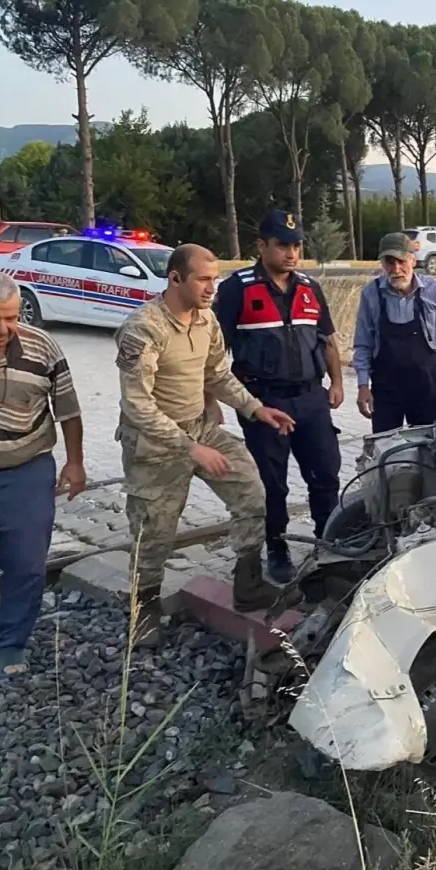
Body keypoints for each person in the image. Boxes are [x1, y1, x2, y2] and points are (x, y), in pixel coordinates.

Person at [115, 244, 297, 640]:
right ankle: (143, 609)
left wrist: (256, 409)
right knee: (155, 532)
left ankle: (248, 585)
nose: (211, 287)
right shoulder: (143, 329)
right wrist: (190, 448)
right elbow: (137, 407)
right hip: (154, 443)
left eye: (214, 278)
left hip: (199, 427)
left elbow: (217, 374)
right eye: (202, 279)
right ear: (175, 278)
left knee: (250, 490)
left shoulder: (206, 320)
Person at [212, 210, 345, 584]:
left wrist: (336, 383)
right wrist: (212, 401)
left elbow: (328, 340)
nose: (291, 253)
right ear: (262, 246)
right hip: (264, 401)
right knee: (271, 482)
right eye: (283, 245)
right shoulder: (237, 288)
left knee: (325, 474)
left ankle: (327, 539)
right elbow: (214, 350)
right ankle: (277, 546)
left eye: (296, 245)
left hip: (310, 398)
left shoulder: (309, 287)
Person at [0, 270, 86, 678]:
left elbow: (69, 411)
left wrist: (74, 463)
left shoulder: (42, 347)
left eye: (10, 318)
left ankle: (10, 642)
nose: (1, 328)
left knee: (25, 566)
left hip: (25, 473)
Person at [354, 232, 436, 432]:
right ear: (382, 264)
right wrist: (362, 386)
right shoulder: (371, 293)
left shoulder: (435, 290)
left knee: (427, 450)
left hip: (426, 387)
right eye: (389, 262)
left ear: (413, 260)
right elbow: (363, 344)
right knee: (385, 446)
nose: (396, 269)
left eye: (401, 261)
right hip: (385, 389)